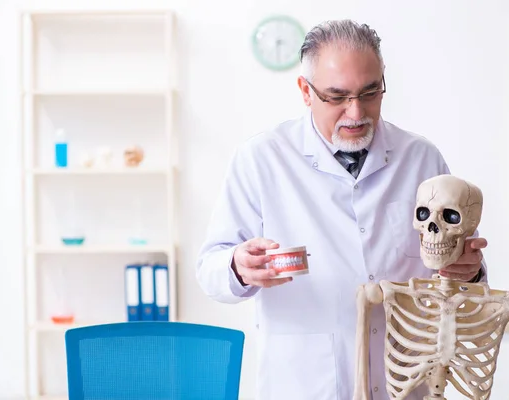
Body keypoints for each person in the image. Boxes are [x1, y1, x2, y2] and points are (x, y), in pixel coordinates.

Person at [196, 19, 488, 400]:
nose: (356, 113)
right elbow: (210, 269)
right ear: (305, 91)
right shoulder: (261, 159)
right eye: (337, 97)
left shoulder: (420, 158)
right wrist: (237, 265)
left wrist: (471, 271)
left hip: (405, 382)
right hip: (305, 384)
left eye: (370, 93)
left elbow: (460, 266)